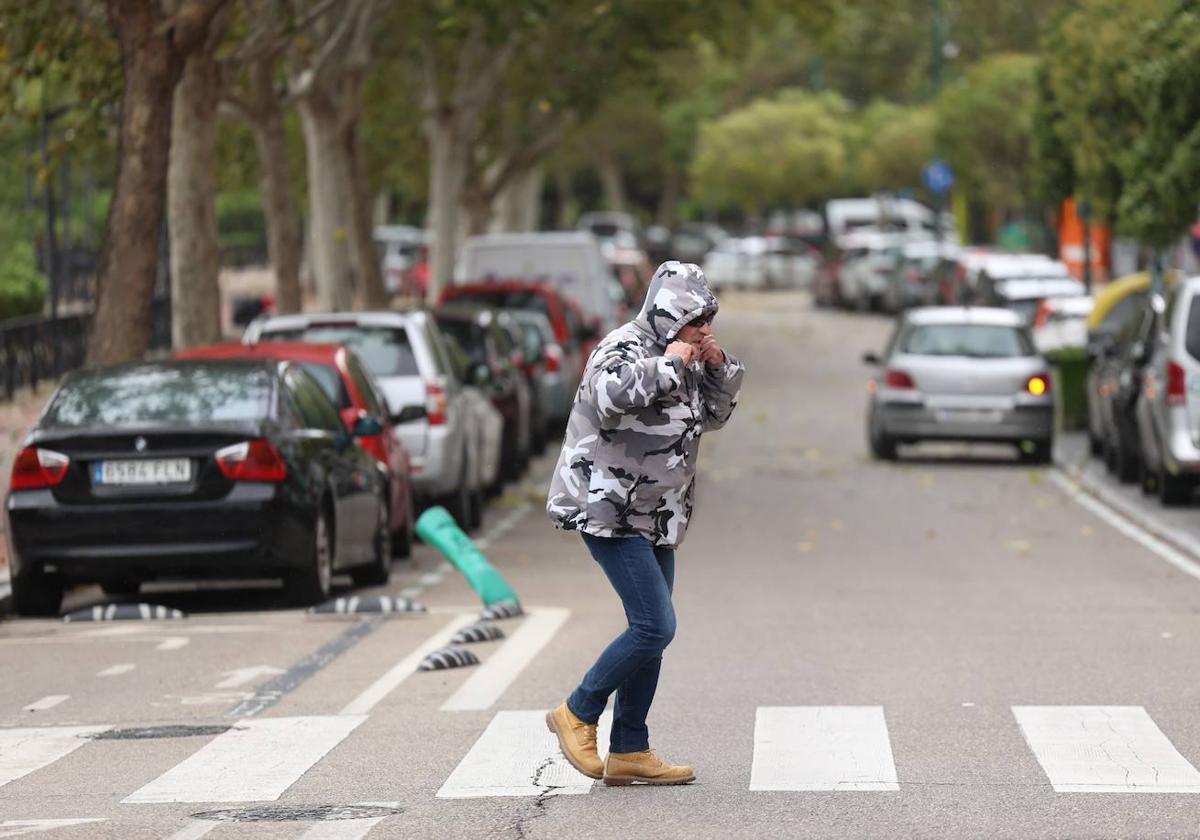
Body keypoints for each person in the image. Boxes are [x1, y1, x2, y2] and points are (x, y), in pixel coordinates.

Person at [545, 260, 745, 786]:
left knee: (652, 633)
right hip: (609, 510)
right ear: (668, 313)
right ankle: (577, 711)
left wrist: (717, 363)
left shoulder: (690, 357)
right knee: (654, 625)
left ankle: (631, 747)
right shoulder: (624, 347)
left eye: (708, 318)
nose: (704, 328)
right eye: (696, 318)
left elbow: (718, 414)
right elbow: (611, 398)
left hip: (657, 514)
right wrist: (673, 363)